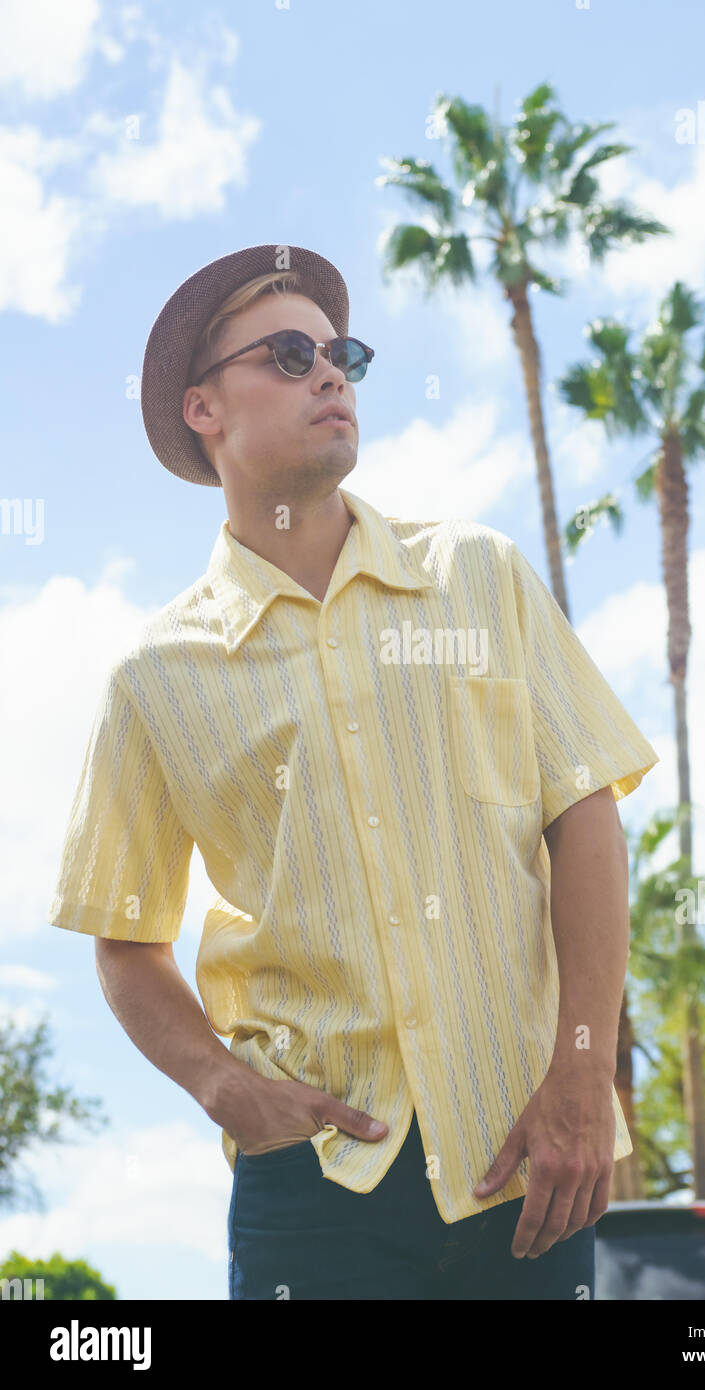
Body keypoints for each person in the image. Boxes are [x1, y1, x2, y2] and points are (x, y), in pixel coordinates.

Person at [47, 243, 660, 1300]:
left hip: (530, 1161)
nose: (331, 374)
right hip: (314, 1192)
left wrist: (582, 1074)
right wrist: (227, 1089)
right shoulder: (156, 676)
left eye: (342, 354)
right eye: (289, 354)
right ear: (205, 409)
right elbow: (125, 940)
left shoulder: (479, 574)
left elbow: (585, 815)